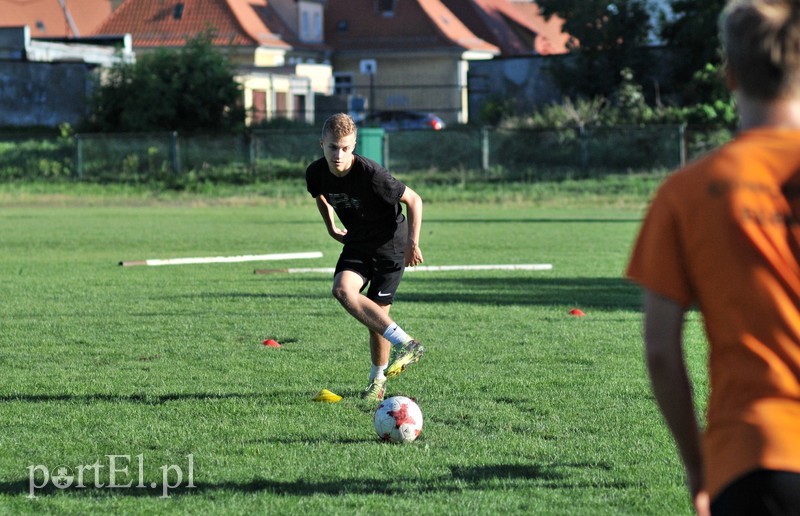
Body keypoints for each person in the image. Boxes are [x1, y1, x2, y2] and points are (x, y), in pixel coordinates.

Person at [626, 1, 800, 514]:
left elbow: (661, 350)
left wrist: (698, 465)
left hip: (755, 459)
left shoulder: (687, 192)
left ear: (729, 74)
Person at [305, 113, 425, 402]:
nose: (339, 154)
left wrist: (413, 242)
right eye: (333, 147)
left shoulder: (373, 176)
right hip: (358, 242)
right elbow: (319, 195)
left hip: (390, 246)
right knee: (342, 290)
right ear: (322, 144)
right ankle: (407, 343)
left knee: (377, 318)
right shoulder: (315, 172)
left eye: (345, 148)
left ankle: (377, 381)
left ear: (354, 145)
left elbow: (414, 199)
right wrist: (330, 225)